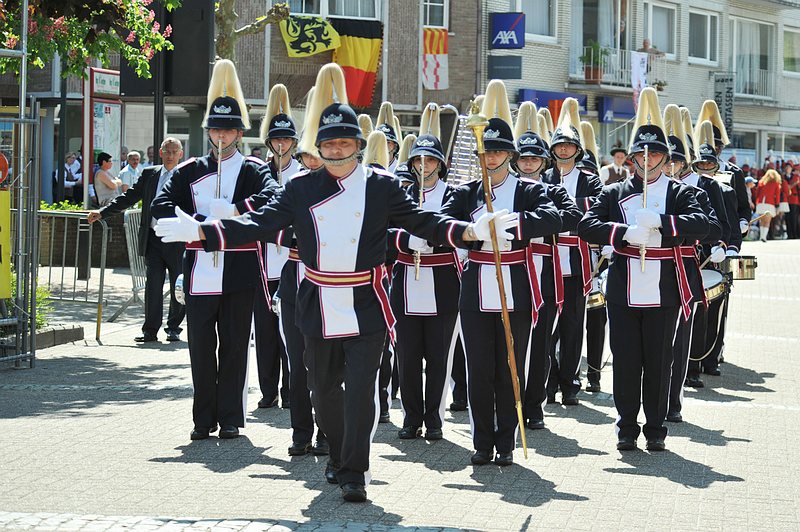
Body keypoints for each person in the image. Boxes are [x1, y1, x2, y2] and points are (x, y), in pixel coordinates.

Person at [155, 62, 507, 502]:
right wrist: (203, 233)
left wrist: (472, 232)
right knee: (321, 391)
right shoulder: (301, 188)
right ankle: (339, 453)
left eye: (345, 142)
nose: (337, 150)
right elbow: (260, 224)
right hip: (316, 298)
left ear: (358, 146)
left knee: (360, 391)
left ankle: (354, 469)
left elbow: (425, 222)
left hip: (367, 301)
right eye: (329, 143)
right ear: (318, 148)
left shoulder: (381, 186)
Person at [151, 59, 277, 442]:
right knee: (201, 347)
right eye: (216, 129)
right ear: (208, 132)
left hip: (239, 270)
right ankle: (201, 419)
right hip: (199, 269)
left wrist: (237, 210)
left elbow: (274, 199)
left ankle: (231, 418)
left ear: (239, 133)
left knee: (236, 346)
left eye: (229, 130)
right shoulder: (189, 169)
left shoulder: (254, 169)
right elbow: (160, 205)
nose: (222, 136)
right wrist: (191, 221)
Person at [578, 87, 709, 452]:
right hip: (623, 285)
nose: (646, 160)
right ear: (632, 158)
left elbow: (705, 224)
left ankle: (655, 428)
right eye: (640, 154)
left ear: (666, 158)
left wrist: (665, 223)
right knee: (625, 362)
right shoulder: (614, 191)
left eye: (654, 154)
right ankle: (625, 427)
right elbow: (586, 225)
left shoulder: (680, 192)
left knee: (658, 362)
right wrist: (622, 232)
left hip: (665, 287)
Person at [443, 80, 561, 465]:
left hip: (516, 283)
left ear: (509, 154)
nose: (490, 158)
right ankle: (481, 441)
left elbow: (553, 216)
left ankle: (507, 440)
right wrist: (473, 230)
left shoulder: (527, 189)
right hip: (477, 284)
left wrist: (512, 225)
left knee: (511, 366)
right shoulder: (465, 191)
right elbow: (442, 220)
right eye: (485, 151)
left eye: (497, 152)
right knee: (479, 367)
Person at [389, 104, 461, 441]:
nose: (424, 166)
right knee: (406, 355)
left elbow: (457, 229)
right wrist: (407, 238)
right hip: (406, 281)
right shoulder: (400, 194)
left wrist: (432, 237)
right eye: (418, 160)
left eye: (430, 160)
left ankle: (434, 417)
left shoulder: (452, 194)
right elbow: (385, 233)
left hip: (442, 280)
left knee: (438, 357)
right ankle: (410, 416)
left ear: (440, 165)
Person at [512, 101, 582, 427]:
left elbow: (572, 216)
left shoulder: (555, 191)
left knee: (540, 342)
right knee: (511, 341)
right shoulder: (506, 191)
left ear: (544, 162)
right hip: (512, 272)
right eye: (523, 158)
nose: (528, 164)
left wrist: (530, 223)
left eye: (534, 158)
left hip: (546, 272)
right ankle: (509, 404)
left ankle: (534, 406)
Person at [87, 138, 187, 343]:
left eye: (174, 151)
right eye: (166, 151)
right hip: (153, 238)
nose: (170, 155)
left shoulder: (187, 175)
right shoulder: (150, 174)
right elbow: (129, 197)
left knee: (179, 284)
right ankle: (150, 330)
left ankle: (174, 327)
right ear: (160, 152)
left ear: (180, 153)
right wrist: (103, 212)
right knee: (153, 285)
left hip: (177, 239)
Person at [276, 96, 329, 457]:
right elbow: (274, 227)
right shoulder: (292, 185)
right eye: (307, 153)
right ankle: (300, 432)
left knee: (325, 366)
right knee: (297, 364)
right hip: (294, 275)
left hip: (327, 281)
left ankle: (328, 431)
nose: (311, 160)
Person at [542, 98, 603, 405]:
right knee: (546, 326)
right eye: (559, 146)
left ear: (578, 150)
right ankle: (547, 382)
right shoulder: (544, 179)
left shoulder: (591, 181)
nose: (563, 150)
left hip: (577, 262)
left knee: (573, 327)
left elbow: (594, 215)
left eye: (569, 146)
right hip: (548, 261)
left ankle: (570, 383)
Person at [253, 83, 301, 412]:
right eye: (276, 140)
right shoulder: (260, 172)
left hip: (290, 262)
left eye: (286, 139)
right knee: (265, 331)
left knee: (290, 333)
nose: (281, 145)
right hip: (261, 263)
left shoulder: (301, 174)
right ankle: (267, 389)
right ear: (270, 143)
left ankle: (290, 389)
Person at [375, 101, 402, 173]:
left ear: (395, 145)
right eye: (382, 142)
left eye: (388, 142)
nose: (385, 144)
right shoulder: (370, 166)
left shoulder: (399, 167)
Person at [755, 169, 781, 242]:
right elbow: (777, 195)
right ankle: (764, 237)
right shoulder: (776, 183)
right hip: (770, 203)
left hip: (760, 203)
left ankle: (761, 236)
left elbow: (757, 194)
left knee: (762, 221)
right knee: (767, 221)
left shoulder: (761, 182)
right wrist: (777, 205)